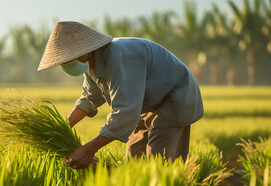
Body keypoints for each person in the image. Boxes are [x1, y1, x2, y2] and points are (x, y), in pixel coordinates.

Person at [37, 21, 204, 169]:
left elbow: (124, 114)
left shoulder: (120, 57)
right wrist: (62, 129)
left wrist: (88, 149)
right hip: (146, 102)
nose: (64, 65)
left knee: (159, 163)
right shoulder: (91, 65)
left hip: (174, 97)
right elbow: (89, 98)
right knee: (134, 159)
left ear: (82, 51)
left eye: (66, 59)